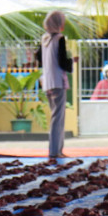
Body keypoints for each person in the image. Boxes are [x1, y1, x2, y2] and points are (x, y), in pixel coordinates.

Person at [35, 10, 75, 158]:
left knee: (54, 116)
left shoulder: (44, 39)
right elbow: (63, 62)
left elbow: (38, 57)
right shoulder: (60, 39)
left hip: (47, 82)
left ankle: (56, 150)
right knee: (58, 118)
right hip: (58, 81)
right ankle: (55, 151)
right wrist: (72, 62)